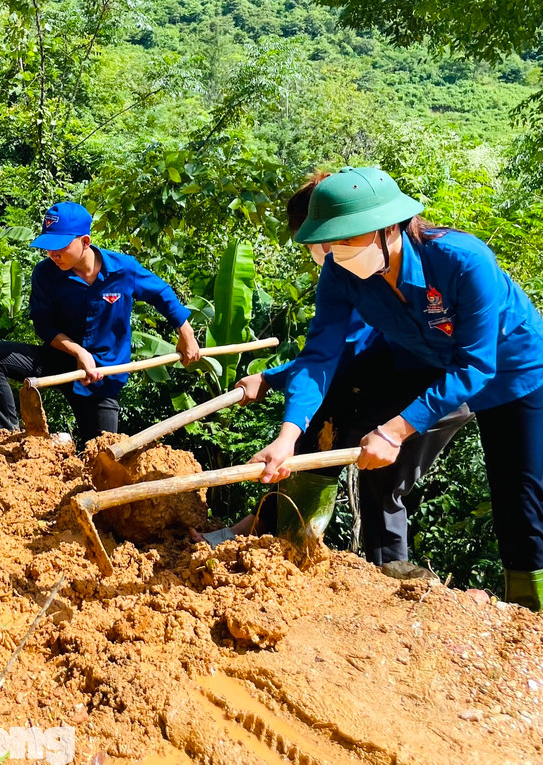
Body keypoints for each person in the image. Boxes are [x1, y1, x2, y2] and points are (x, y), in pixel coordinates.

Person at [242, 166, 543, 610]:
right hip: (425, 361)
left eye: (346, 239)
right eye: (328, 242)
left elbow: (475, 365)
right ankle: (344, 562)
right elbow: (320, 357)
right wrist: (287, 437)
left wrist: (398, 429)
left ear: (387, 228)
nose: (333, 252)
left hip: (511, 371)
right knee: (365, 440)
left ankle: (528, 614)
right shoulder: (340, 274)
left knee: (516, 495)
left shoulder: (462, 261)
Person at [196, 174, 472, 563]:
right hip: (375, 377)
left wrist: (272, 378)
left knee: (380, 480)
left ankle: (384, 570)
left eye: (331, 238)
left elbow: (347, 352)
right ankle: (274, 542)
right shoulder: (345, 271)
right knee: (305, 450)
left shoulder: (386, 270)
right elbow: (321, 355)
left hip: (416, 383)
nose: (324, 249)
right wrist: (278, 402)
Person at [0, 202, 201, 441]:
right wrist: (78, 352)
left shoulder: (123, 270)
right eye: (48, 248)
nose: (53, 255)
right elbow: (44, 324)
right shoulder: (46, 273)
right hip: (59, 360)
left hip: (101, 377)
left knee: (101, 454)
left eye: (60, 247)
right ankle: (6, 436)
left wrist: (186, 333)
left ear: (85, 241)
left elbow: (161, 294)